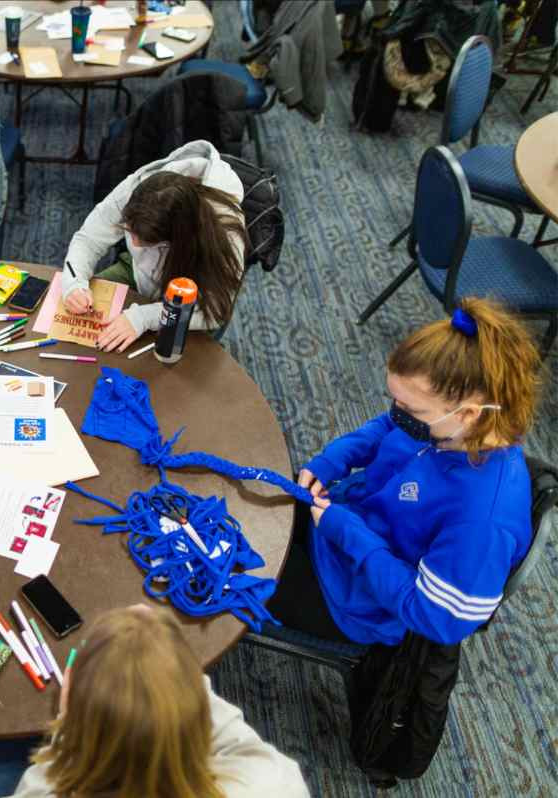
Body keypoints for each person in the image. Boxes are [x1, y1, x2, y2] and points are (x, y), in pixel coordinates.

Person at [268, 299, 541, 646]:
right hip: (341, 518)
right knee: (238, 502)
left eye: (409, 408)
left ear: (469, 414)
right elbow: (387, 426)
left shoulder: (483, 522)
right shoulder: (441, 427)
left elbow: (433, 617)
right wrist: (334, 458)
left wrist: (350, 534)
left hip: (352, 600)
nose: (397, 412)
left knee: (217, 569)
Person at [0, 604, 309, 798]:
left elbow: (55, 773)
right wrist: (164, 669)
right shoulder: (275, 784)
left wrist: (69, 727)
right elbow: (234, 736)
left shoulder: (40, 792)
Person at [62, 140, 248, 352]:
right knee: (81, 335)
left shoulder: (225, 231)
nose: (132, 243)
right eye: (129, 230)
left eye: (145, 241)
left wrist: (144, 317)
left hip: (193, 298)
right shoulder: (138, 189)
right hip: (137, 273)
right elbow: (89, 238)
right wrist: (74, 283)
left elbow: (216, 311)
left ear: (177, 237)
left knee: (165, 374)